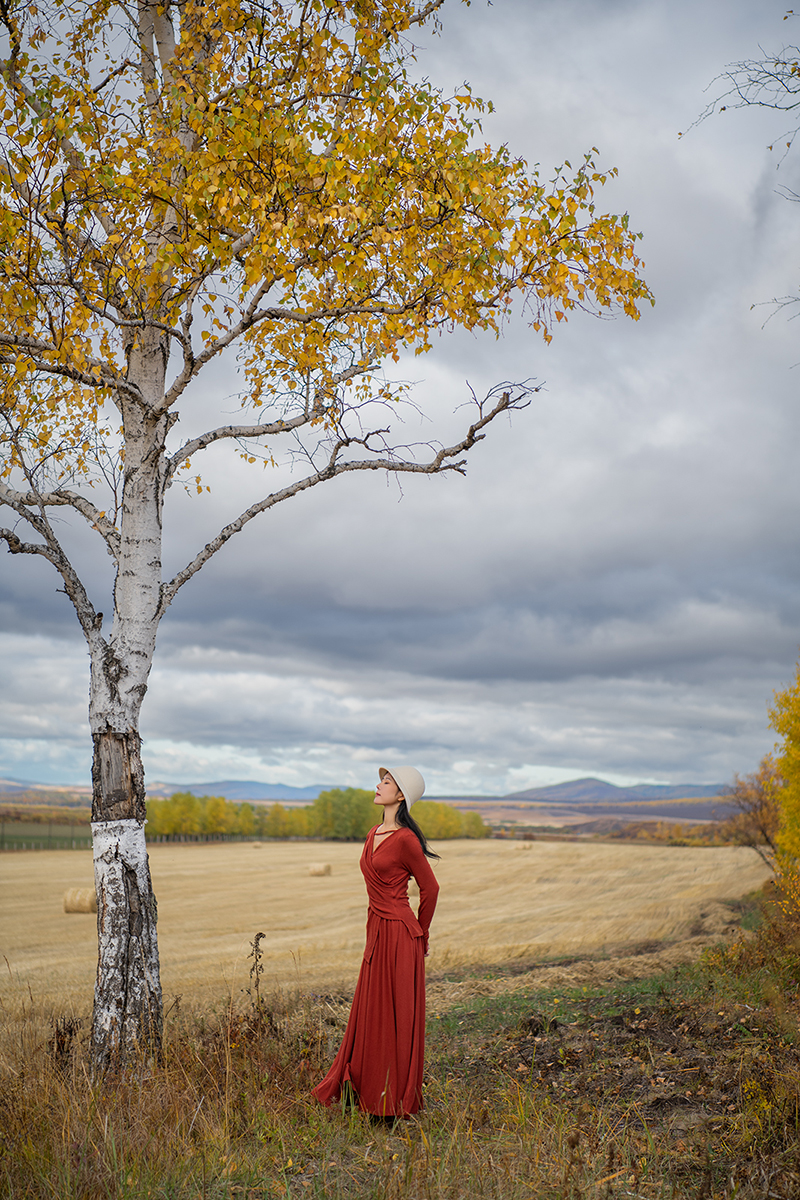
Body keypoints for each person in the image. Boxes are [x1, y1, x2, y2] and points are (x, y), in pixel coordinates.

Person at [312, 765, 440, 1119]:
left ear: (401, 795)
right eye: (381, 781)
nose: (378, 785)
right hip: (377, 933)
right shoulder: (373, 833)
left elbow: (431, 888)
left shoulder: (405, 840)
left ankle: (391, 1104)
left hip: (400, 936)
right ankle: (363, 1092)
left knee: (394, 1017)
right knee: (371, 1013)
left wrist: (420, 932)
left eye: (386, 782)